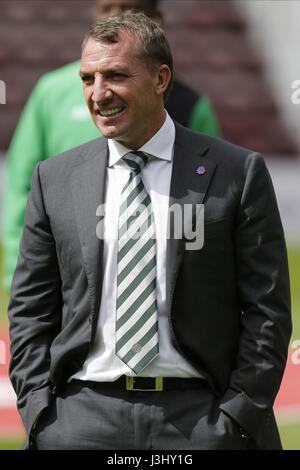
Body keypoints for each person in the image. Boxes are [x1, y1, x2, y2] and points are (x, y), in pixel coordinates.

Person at [8, 12, 291, 450]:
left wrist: (237, 416)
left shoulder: (238, 172)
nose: (98, 94)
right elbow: (30, 308)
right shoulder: (55, 178)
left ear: (161, 78)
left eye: (116, 75)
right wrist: (42, 414)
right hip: (81, 421)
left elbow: (267, 309)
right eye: (88, 79)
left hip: (201, 421)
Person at [2, 0, 220, 291]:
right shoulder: (51, 92)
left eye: (133, 9)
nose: (119, 17)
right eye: (108, 8)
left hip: (157, 282)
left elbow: (216, 202)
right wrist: (22, 272)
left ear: (159, 21)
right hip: (66, 275)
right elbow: (22, 186)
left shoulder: (190, 104)